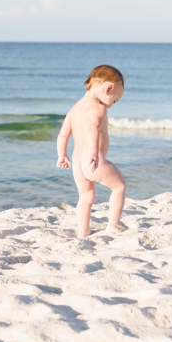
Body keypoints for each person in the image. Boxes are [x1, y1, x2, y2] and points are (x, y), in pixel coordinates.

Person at [56, 65, 128, 238]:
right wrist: (95, 154)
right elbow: (92, 129)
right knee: (119, 186)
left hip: (77, 162)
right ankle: (114, 223)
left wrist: (62, 155)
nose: (112, 104)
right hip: (93, 159)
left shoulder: (74, 109)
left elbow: (62, 135)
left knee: (86, 197)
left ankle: (83, 231)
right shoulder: (98, 107)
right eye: (115, 99)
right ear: (109, 88)